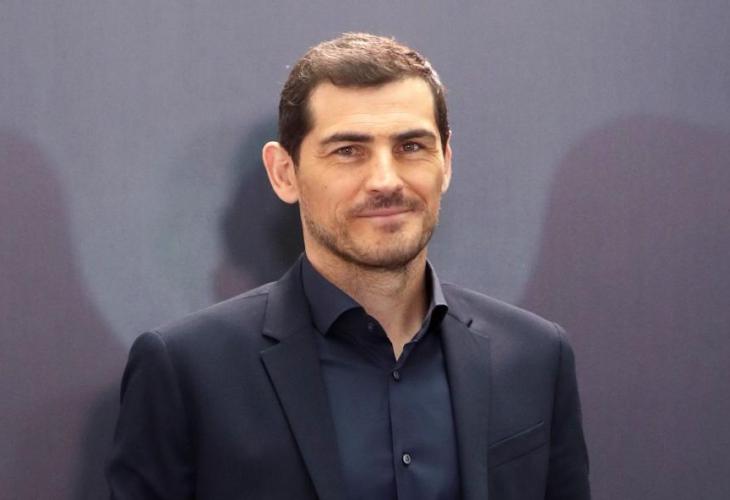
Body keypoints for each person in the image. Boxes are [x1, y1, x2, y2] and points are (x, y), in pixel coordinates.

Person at [107, 33, 590, 500]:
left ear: (445, 161)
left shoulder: (535, 356)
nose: (385, 180)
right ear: (284, 173)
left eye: (411, 146)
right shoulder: (187, 371)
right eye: (348, 151)